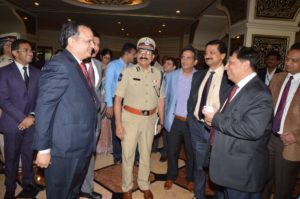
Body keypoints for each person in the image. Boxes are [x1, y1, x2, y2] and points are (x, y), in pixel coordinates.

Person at [33, 21, 100, 199]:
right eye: (89, 41)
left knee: (73, 192)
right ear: (71, 41)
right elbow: (44, 108)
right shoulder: (59, 65)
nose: (93, 46)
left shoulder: (77, 65)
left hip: (80, 145)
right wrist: (43, 149)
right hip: (64, 149)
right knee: (60, 193)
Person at [203, 46, 273, 199]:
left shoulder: (259, 93)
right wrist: (213, 121)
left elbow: (252, 130)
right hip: (227, 167)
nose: (226, 66)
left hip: (241, 174)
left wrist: (216, 118)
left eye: (231, 62)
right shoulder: (238, 87)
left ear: (245, 64)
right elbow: (233, 119)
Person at [114, 37, 165, 199]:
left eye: (148, 52)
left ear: (153, 57)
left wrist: (161, 121)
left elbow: (161, 100)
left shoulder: (159, 74)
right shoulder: (127, 72)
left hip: (149, 120)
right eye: (141, 51)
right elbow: (118, 100)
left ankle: (144, 184)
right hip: (129, 119)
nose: (144, 55)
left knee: (145, 154)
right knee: (128, 155)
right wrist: (118, 125)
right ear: (136, 55)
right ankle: (127, 188)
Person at [187, 40, 232, 199]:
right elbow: (192, 99)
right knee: (199, 165)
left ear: (223, 55)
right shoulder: (199, 74)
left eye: (212, 52)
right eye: (206, 53)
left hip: (216, 129)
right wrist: (190, 118)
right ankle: (198, 195)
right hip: (197, 126)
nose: (208, 56)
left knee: (217, 167)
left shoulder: (230, 77)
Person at [0, 39, 41, 199]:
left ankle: (28, 182)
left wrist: (32, 116)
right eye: (26, 50)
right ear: (15, 53)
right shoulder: (4, 72)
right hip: (12, 123)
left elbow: (40, 98)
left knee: (28, 155)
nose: (30, 52)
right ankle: (9, 188)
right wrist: (22, 118)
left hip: (32, 123)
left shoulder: (37, 73)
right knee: (11, 157)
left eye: (31, 50)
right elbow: (3, 99)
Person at [262, 43, 300, 199]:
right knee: (263, 182)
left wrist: (296, 136)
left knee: (283, 189)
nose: (288, 63)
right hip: (269, 139)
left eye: (294, 60)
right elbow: (266, 107)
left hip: (290, 144)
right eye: (287, 59)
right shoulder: (278, 78)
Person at [163, 46, 197, 192]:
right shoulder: (171, 76)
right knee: (172, 150)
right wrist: (162, 118)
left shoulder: (200, 77)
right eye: (183, 57)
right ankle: (171, 175)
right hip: (174, 120)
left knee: (191, 152)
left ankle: (190, 178)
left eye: (188, 57)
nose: (185, 60)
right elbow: (165, 98)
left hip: (192, 122)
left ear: (195, 61)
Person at [105, 42, 137, 164]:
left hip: (129, 102)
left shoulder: (132, 67)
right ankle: (117, 155)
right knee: (116, 127)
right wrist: (109, 104)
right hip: (115, 100)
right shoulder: (113, 65)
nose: (134, 56)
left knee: (128, 127)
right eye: (133, 54)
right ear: (127, 53)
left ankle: (127, 153)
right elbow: (108, 85)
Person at [80, 30, 103, 199]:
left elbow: (97, 89)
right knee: (75, 157)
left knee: (90, 155)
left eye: (97, 44)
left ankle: (87, 188)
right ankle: (73, 188)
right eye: (91, 42)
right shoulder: (74, 64)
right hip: (77, 121)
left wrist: (103, 104)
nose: (94, 47)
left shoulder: (99, 65)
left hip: (95, 119)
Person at [97, 48, 113, 154]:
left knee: (106, 122)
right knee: (97, 121)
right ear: (101, 57)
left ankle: (104, 146)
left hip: (106, 96)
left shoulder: (111, 68)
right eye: (105, 57)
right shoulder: (96, 66)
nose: (107, 60)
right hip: (97, 96)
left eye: (109, 58)